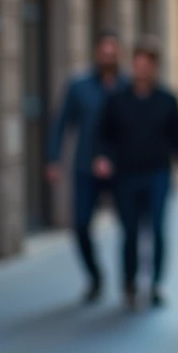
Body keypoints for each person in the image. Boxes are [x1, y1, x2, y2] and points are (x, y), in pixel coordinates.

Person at [93, 38, 178, 309]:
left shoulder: (168, 100)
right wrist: (102, 157)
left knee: (158, 230)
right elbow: (103, 135)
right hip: (125, 176)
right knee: (130, 232)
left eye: (147, 64)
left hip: (158, 174)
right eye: (137, 64)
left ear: (155, 67)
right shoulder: (117, 100)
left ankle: (156, 284)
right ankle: (129, 282)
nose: (141, 69)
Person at [46, 29, 126, 303]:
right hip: (85, 168)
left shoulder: (128, 86)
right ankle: (94, 276)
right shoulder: (79, 86)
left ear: (119, 54)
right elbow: (61, 124)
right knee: (80, 225)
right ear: (96, 53)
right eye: (104, 51)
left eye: (112, 51)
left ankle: (129, 281)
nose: (108, 56)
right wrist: (53, 158)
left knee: (131, 227)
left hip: (122, 169)